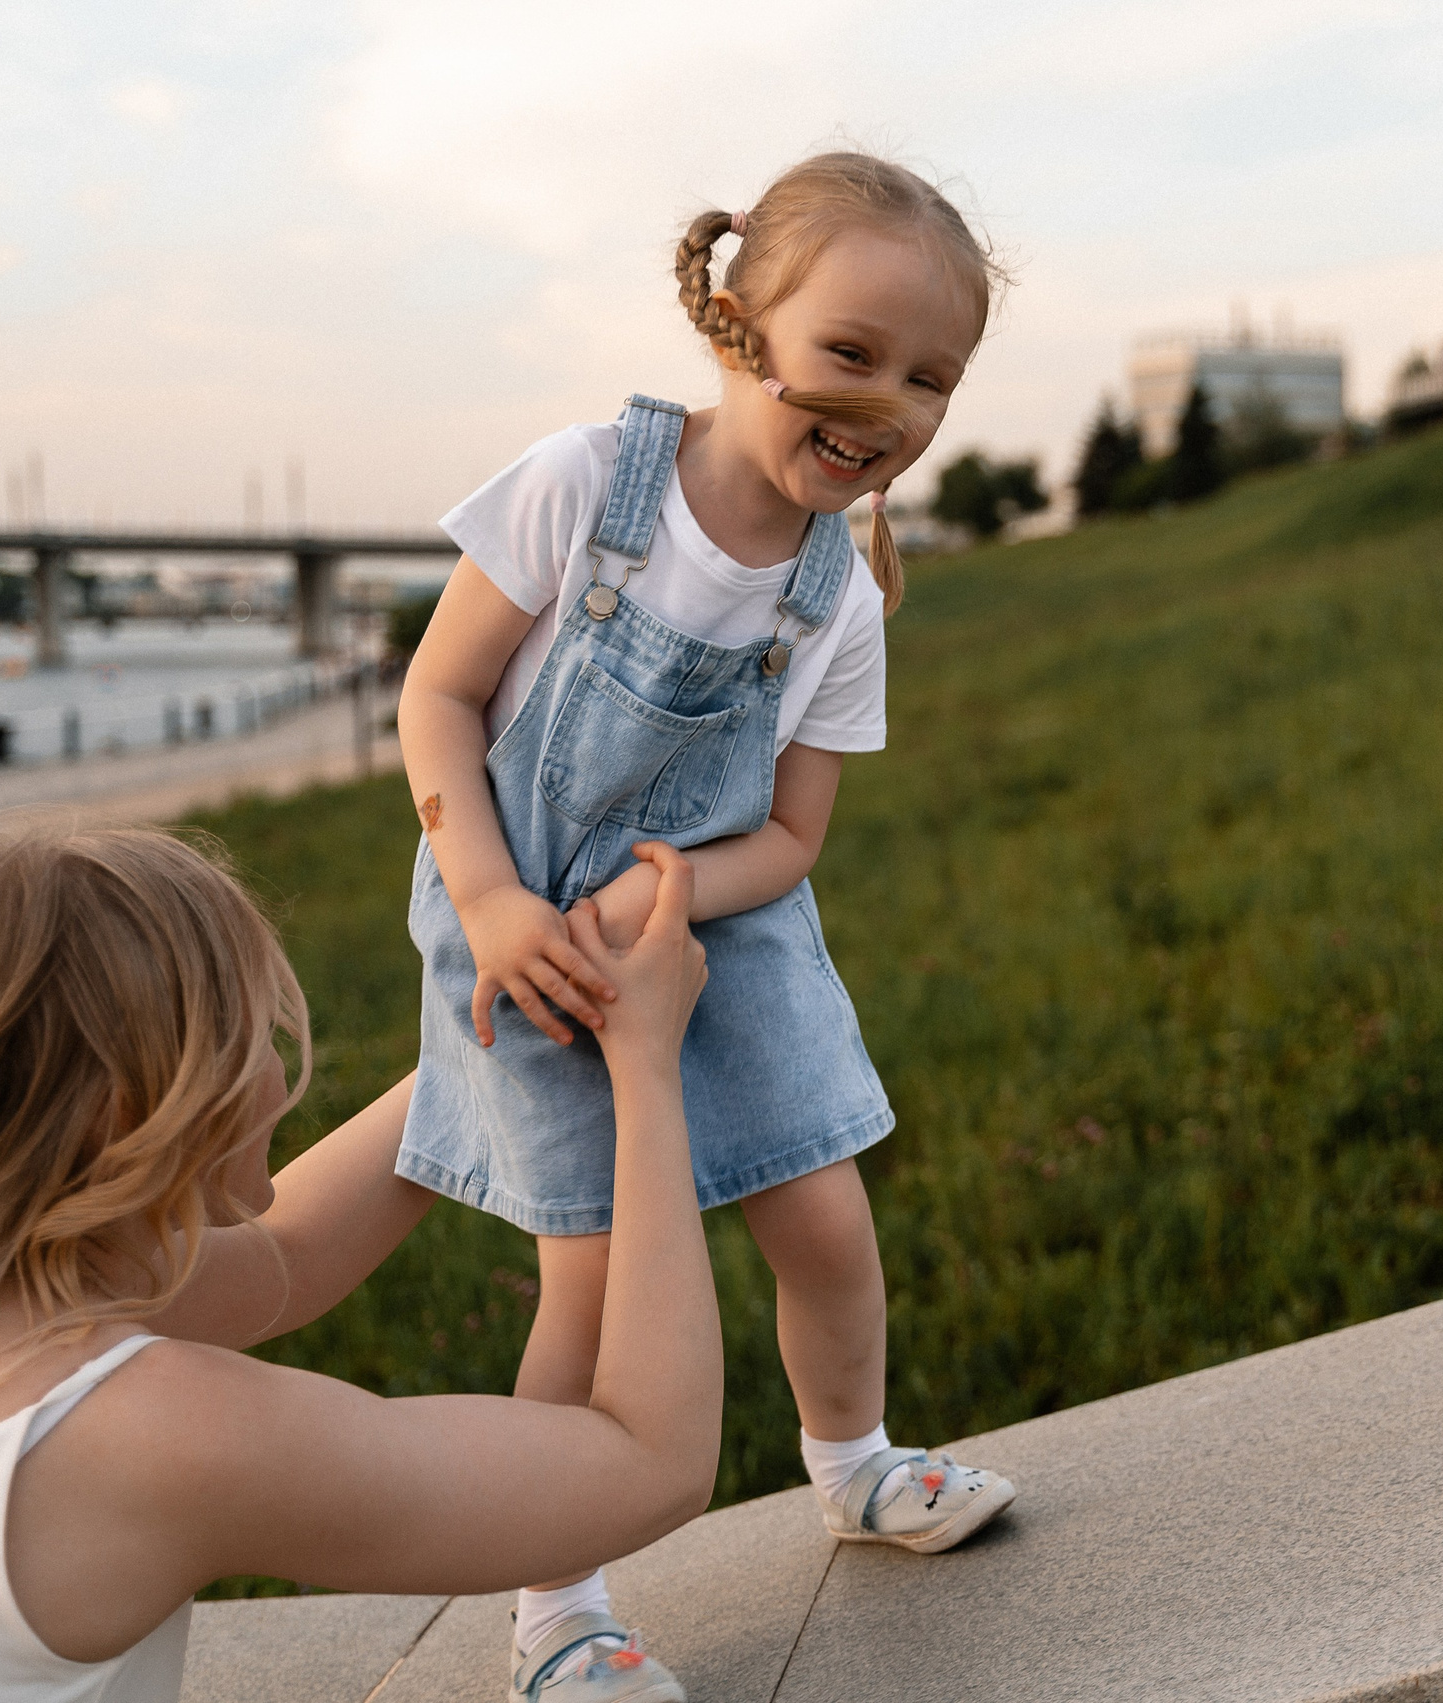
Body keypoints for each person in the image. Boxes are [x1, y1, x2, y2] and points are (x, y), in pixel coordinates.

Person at [395, 151, 1017, 1698]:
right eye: (852, 356)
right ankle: (556, 1606)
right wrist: (489, 895)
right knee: (591, 1277)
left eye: (929, 378)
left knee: (825, 1224)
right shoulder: (582, 485)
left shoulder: (841, 598)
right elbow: (439, 695)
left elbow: (794, 834)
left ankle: (855, 1463)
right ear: (740, 326)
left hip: (728, 927)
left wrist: (670, 897)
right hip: (528, 927)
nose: (885, 405)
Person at [0, 827, 719, 1703]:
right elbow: (647, 1461)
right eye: (250, 1033)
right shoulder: (138, 1430)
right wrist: (647, 1066)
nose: (274, 1073)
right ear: (140, 1105)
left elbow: (287, 1256)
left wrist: (513, 1026)